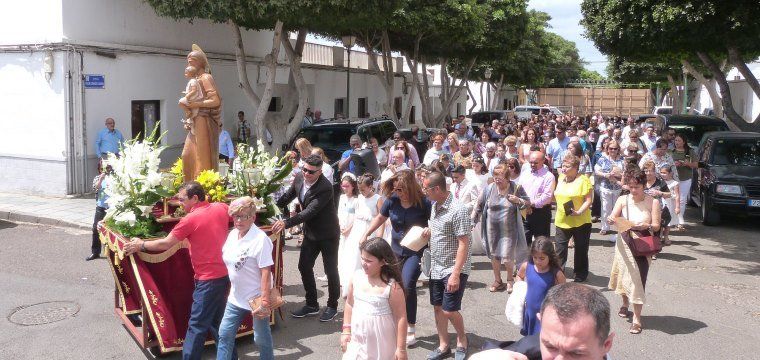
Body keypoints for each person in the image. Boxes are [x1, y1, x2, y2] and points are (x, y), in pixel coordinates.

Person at [123, 182, 230, 360]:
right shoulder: (221, 207)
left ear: (195, 198)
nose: (179, 203)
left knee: (197, 326)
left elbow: (165, 243)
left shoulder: (190, 219)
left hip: (207, 280)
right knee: (218, 323)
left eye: (182, 200)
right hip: (223, 276)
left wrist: (140, 245)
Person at [361, 170, 431, 346]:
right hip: (395, 250)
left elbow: (436, 220)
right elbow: (380, 217)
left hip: (415, 250)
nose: (398, 193)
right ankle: (396, 323)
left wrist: (430, 230)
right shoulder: (392, 200)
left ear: (410, 187)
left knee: (408, 285)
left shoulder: (424, 202)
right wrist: (366, 233)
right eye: (396, 190)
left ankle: (411, 327)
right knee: (394, 287)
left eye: (401, 190)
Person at [273, 154, 341, 322]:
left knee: (330, 270)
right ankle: (311, 304)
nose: (306, 173)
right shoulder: (299, 177)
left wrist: (286, 223)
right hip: (311, 233)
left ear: (320, 172)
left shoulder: (325, 187)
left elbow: (309, 211)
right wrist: (269, 207)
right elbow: (287, 197)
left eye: (311, 171)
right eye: (304, 169)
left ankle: (332, 305)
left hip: (328, 234)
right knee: (304, 266)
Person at [471, 283, 613, 360]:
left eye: (576, 353)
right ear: (541, 323)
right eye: (550, 347)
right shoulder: (528, 351)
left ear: (606, 344)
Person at [421, 172, 473, 360]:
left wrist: (455, 274)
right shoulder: (435, 206)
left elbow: (464, 243)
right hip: (436, 265)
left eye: (425, 188)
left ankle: (462, 340)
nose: (423, 192)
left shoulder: (458, 210)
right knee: (437, 307)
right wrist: (429, 230)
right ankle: (444, 346)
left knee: (449, 309)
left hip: (452, 268)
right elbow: (441, 230)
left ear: (436, 189)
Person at [216, 197, 274, 360]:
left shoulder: (260, 240)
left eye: (244, 216)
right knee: (224, 335)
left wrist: (264, 302)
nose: (239, 220)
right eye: (236, 216)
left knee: (261, 339)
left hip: (257, 298)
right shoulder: (233, 234)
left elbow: (265, 272)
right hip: (235, 297)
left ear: (253, 218)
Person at [607, 166, 661, 334]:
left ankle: (637, 318)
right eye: (630, 187)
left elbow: (657, 226)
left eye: (637, 187)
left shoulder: (653, 202)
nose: (633, 190)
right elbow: (613, 217)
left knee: (638, 279)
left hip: (643, 244)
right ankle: (625, 303)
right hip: (624, 242)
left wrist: (647, 225)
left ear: (644, 185)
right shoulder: (623, 199)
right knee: (623, 275)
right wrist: (611, 219)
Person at [340, 238, 408, 360]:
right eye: (362, 258)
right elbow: (349, 304)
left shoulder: (392, 288)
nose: (363, 263)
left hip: (382, 345)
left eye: (368, 260)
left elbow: (401, 317)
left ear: (382, 262)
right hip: (357, 341)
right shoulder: (356, 278)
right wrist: (346, 330)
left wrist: (401, 348)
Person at [472, 163, 530, 293]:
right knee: (494, 256)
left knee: (508, 257)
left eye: (500, 176)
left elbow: (527, 202)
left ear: (508, 177)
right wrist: (472, 222)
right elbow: (478, 206)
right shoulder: (488, 189)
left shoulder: (516, 188)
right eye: (495, 175)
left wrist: (518, 200)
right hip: (491, 229)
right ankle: (498, 280)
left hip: (509, 229)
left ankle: (510, 279)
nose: (497, 179)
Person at [182, 46, 222, 182]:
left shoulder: (206, 77)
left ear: (199, 62)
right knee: (187, 154)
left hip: (203, 120)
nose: (188, 64)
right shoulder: (195, 79)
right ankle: (188, 187)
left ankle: (203, 188)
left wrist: (196, 105)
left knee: (202, 157)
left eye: (191, 61)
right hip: (195, 119)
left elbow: (215, 100)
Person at [553, 155, 593, 282]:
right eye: (563, 166)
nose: (563, 169)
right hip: (562, 219)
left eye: (567, 166)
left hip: (580, 221)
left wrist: (579, 212)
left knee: (581, 249)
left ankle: (580, 274)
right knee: (559, 250)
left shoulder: (583, 180)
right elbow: (557, 196)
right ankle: (558, 274)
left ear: (576, 168)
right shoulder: (560, 178)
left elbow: (589, 200)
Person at [516, 236, 566, 336]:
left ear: (550, 257)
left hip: (545, 314)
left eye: (542, 258)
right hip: (529, 311)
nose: (538, 261)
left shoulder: (556, 274)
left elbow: (564, 293)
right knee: (529, 340)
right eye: (535, 258)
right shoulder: (527, 266)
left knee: (542, 341)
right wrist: (521, 292)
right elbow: (519, 276)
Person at [518, 152, 555, 246]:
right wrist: (524, 204)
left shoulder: (548, 176)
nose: (532, 165)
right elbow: (519, 189)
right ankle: (526, 261)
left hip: (541, 213)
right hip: (524, 211)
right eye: (531, 162)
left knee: (541, 244)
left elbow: (547, 197)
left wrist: (531, 204)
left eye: (535, 162)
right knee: (524, 243)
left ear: (543, 161)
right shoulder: (525, 174)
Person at [594, 139, 625, 237]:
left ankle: (619, 228)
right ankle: (605, 227)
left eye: (615, 148)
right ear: (607, 149)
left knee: (618, 209)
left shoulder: (622, 160)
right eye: (611, 148)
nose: (613, 150)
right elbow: (596, 171)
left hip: (618, 187)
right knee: (606, 208)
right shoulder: (603, 159)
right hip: (605, 187)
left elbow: (626, 172)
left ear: (618, 149)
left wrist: (619, 174)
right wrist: (606, 174)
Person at [338, 174, 361, 298]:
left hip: (352, 231)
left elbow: (357, 217)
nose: (344, 188)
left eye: (347, 186)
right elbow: (339, 213)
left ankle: (351, 284)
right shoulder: (342, 198)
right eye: (343, 186)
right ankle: (343, 282)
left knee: (351, 257)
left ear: (353, 186)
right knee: (341, 257)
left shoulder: (357, 200)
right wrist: (340, 226)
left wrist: (348, 229)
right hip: (342, 230)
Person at [670, 133, 696, 231]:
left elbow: (697, 164)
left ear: (684, 142)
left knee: (682, 200)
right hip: (673, 179)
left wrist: (687, 164)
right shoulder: (671, 152)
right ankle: (672, 220)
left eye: (679, 140)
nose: (677, 142)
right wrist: (674, 165)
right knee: (673, 199)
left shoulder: (690, 151)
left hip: (685, 178)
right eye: (675, 140)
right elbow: (667, 165)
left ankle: (680, 221)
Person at [87, 164, 110, 261]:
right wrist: (101, 179)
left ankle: (110, 253)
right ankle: (95, 252)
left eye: (107, 169)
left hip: (112, 208)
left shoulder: (113, 178)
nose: (104, 171)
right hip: (101, 207)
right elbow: (95, 188)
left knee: (111, 230)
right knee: (96, 229)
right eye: (102, 169)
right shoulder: (97, 178)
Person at [179, 65, 203, 134]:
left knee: (180, 102)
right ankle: (188, 115)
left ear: (191, 73)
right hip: (191, 98)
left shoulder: (193, 81)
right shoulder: (192, 81)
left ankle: (188, 111)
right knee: (189, 115)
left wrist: (187, 96)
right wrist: (186, 92)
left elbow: (194, 90)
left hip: (193, 99)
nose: (185, 74)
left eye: (186, 73)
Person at [659, 166, 679, 246]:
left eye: (665, 173)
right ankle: (659, 236)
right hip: (659, 203)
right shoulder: (659, 182)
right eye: (661, 173)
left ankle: (666, 236)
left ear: (670, 173)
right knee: (659, 220)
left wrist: (677, 207)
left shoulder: (675, 183)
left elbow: (677, 196)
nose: (663, 175)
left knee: (667, 221)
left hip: (669, 203)